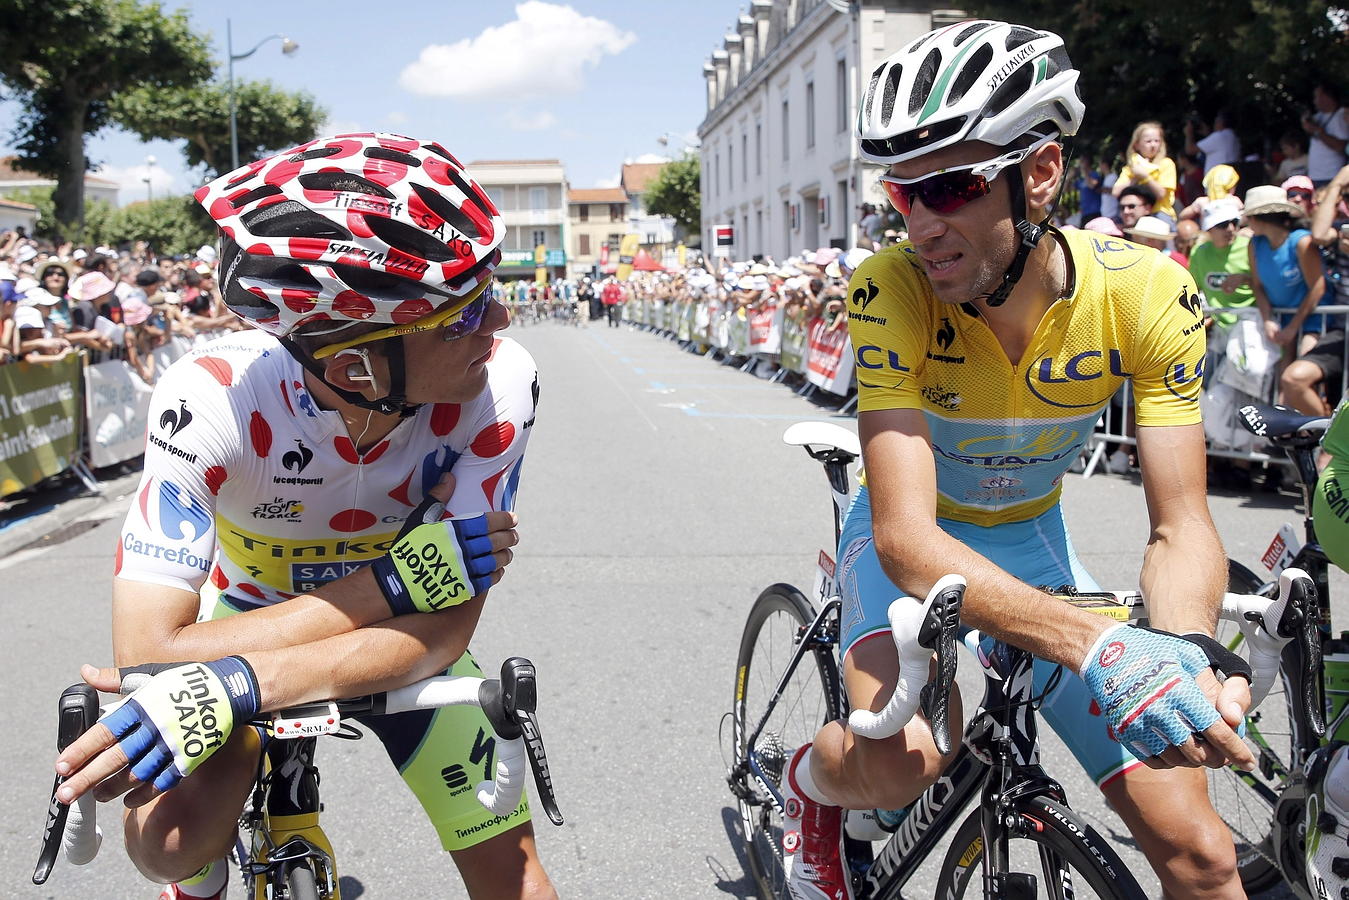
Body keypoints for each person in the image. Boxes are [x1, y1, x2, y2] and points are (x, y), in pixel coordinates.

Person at [787, 20, 1255, 900]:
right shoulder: (888, 289)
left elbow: (1181, 523)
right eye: (903, 193)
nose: (922, 224)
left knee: (1201, 855)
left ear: (1038, 173)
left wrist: (1185, 644)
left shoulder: (1148, 293)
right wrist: (1098, 647)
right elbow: (904, 536)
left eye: (953, 186)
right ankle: (808, 791)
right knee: (905, 764)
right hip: (910, 559)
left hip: (1031, 543)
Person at [50, 133, 556, 900]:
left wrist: (238, 678)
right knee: (168, 846)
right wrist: (387, 582)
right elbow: (148, 650)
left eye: (488, 289)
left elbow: (446, 633)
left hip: (378, 639)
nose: (502, 321)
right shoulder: (212, 397)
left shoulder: (498, 387)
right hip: (319, 609)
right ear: (355, 365)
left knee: (512, 877)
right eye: (465, 314)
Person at [1246, 184, 1330, 410]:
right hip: (1283, 323)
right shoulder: (1255, 244)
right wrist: (1267, 319)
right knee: (1281, 389)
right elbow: (1258, 285)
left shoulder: (1301, 242)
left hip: (1313, 320)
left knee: (1300, 374)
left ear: (1261, 218)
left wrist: (1293, 326)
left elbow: (1318, 287)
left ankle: (1323, 438)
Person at [1111, 120, 1178, 224]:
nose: (1153, 145)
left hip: (1159, 213)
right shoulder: (1132, 167)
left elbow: (1161, 194)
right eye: (1148, 141)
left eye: (1157, 141)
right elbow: (1116, 192)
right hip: (1136, 215)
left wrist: (1144, 176)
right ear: (1137, 144)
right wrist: (1135, 178)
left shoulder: (1166, 163)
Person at [1304, 82, 1349, 188]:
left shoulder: (1342, 116)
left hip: (1332, 176)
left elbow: (1340, 146)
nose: (1314, 101)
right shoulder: (1318, 117)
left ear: (1327, 97)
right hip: (1315, 176)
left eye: (1316, 96)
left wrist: (1318, 131)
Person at [1184, 110, 1240, 175]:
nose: (1214, 124)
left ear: (1221, 122)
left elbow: (1190, 150)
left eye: (1216, 121)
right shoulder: (1233, 136)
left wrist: (1189, 133)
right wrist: (1207, 134)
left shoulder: (1219, 136)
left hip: (1218, 181)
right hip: (1228, 179)